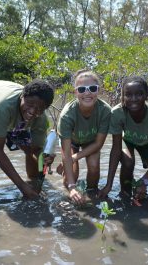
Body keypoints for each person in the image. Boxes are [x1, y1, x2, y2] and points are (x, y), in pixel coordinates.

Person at [0, 79, 54, 198]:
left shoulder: (40, 119)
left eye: (39, 109)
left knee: (30, 148)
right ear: (22, 96)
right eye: (29, 104)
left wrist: (44, 159)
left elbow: (36, 150)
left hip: (12, 115)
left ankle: (32, 183)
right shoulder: (3, 105)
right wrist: (21, 186)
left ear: (45, 109)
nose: (33, 111)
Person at [99, 76, 148, 200]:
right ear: (122, 97)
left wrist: (145, 180)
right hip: (127, 140)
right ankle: (125, 193)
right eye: (128, 95)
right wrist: (108, 185)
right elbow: (116, 150)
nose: (133, 99)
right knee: (128, 162)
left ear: (146, 95)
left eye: (139, 94)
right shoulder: (117, 113)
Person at [57, 70, 111, 205]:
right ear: (75, 92)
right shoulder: (67, 115)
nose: (87, 93)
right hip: (72, 142)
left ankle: (91, 194)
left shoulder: (105, 110)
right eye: (82, 89)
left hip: (92, 142)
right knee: (71, 177)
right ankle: (72, 193)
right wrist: (71, 187)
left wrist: (74, 158)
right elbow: (66, 151)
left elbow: (98, 144)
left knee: (93, 166)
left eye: (92, 88)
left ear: (99, 90)